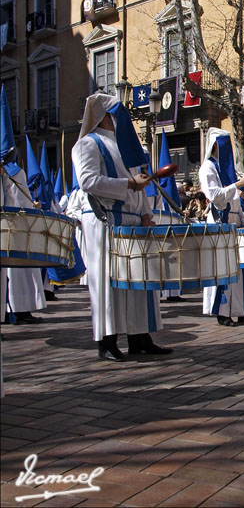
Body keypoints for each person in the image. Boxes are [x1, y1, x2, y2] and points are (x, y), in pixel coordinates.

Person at [72, 92, 171, 361]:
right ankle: (107, 341)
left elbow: (142, 184)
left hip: (133, 221)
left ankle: (140, 337)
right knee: (108, 283)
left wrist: (147, 213)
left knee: (138, 282)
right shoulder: (87, 144)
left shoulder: (127, 146)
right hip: (105, 221)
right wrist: (128, 184)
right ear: (104, 116)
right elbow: (88, 181)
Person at [199, 128, 244, 327]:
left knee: (241, 272)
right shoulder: (208, 167)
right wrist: (237, 185)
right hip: (219, 224)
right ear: (215, 144)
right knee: (222, 270)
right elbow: (215, 196)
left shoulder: (227, 169)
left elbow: (234, 202)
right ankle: (222, 312)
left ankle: (243, 310)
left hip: (234, 224)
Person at [0, 86, 46, 325]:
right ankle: (17, 310)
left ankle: (16, 310)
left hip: (14, 229)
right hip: (13, 228)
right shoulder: (15, 172)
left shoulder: (15, 173)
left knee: (16, 274)